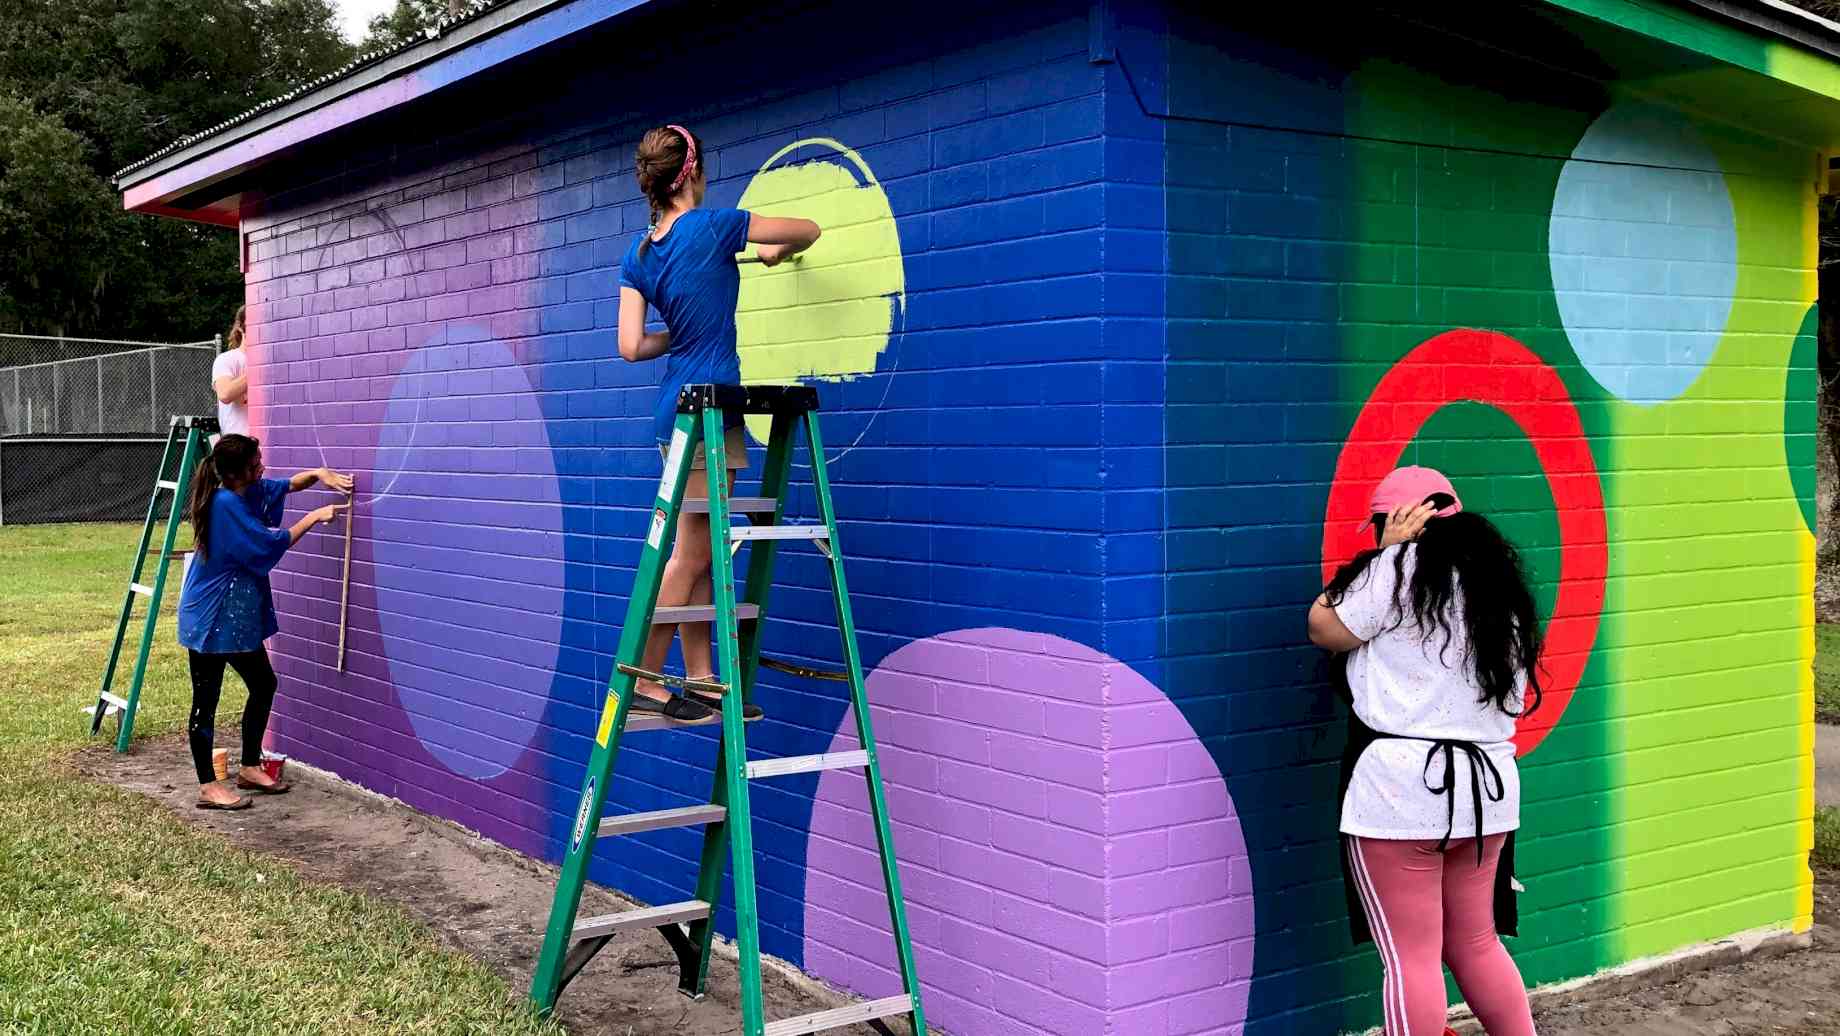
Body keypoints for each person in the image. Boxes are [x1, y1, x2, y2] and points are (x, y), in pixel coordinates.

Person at [1307, 466, 1542, 1036]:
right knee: (1476, 943)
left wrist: (1384, 553)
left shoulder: (1394, 569)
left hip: (1401, 792)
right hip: (1487, 791)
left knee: (1410, 958)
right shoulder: (1495, 583)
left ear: (1391, 522)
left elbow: (1324, 627)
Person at [615, 123, 821, 722]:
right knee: (691, 554)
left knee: (702, 553)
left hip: (680, 411)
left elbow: (630, 346)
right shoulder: (716, 226)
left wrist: (678, 335)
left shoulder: (641, 252)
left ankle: (703, 679)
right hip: (709, 412)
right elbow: (807, 230)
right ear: (693, 173)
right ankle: (646, 679)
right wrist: (775, 251)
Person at [178, 433, 350, 809]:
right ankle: (208, 786)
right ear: (239, 474)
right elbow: (270, 545)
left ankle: (250, 766)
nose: (263, 468)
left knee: (264, 684)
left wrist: (320, 474)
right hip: (211, 618)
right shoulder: (225, 505)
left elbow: (285, 485)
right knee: (206, 701)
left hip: (235, 620)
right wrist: (314, 517)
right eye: (256, 465)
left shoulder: (241, 491)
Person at [212, 305, 250, 436]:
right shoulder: (227, 359)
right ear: (240, 327)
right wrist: (257, 370)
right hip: (238, 446)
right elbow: (225, 394)